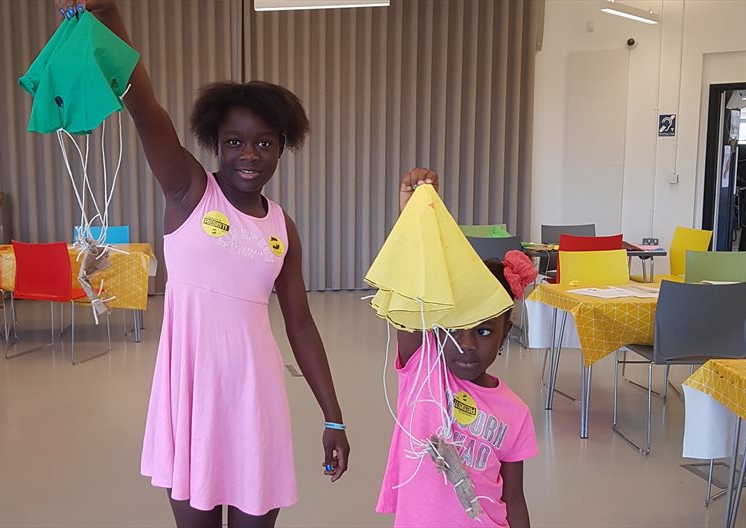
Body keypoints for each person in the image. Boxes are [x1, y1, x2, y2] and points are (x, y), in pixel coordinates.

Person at [53, 2, 350, 527]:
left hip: (256, 398)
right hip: (192, 396)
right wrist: (104, 13)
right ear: (217, 143)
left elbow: (300, 324)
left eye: (264, 143)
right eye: (235, 142)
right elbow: (145, 108)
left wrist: (333, 416)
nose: (249, 155)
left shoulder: (282, 228)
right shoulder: (190, 192)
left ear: (283, 149)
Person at [376, 169, 537, 528]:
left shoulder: (516, 412)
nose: (465, 344)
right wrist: (413, 215)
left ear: (505, 332)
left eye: (482, 331)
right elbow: (413, 283)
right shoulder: (423, 366)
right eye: (454, 329)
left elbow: (514, 499)